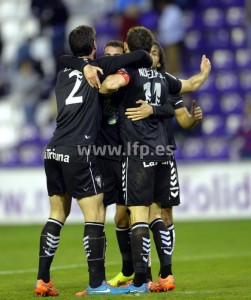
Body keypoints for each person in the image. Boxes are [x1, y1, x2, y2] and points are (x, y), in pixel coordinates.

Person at [33, 25, 153, 297]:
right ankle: (97, 283)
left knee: (57, 215)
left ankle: (42, 279)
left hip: (53, 150)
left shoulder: (62, 70)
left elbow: (65, 59)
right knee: (96, 214)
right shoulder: (100, 65)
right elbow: (143, 57)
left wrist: (79, 63)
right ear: (94, 47)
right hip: (79, 149)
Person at [99, 26, 211, 294]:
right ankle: (167, 274)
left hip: (138, 153)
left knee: (138, 215)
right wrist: (205, 72)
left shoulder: (130, 72)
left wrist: (106, 82)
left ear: (127, 48)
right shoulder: (163, 77)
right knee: (157, 214)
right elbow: (192, 84)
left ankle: (140, 280)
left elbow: (109, 86)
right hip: (163, 154)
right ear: (149, 46)